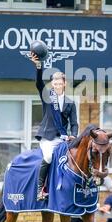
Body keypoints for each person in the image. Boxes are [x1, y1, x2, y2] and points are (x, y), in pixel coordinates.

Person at [31, 53, 78, 200]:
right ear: (52, 84)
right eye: (55, 83)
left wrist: (74, 135)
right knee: (49, 157)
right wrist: (39, 66)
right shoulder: (47, 97)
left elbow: (74, 123)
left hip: (63, 139)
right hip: (48, 137)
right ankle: (40, 190)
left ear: (64, 84)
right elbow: (39, 83)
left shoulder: (70, 102)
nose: (57, 85)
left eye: (60, 83)